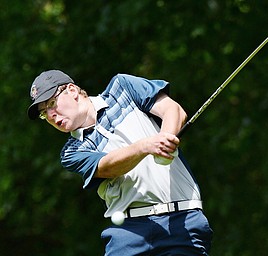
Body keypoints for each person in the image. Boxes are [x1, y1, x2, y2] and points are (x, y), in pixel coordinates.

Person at [27, 70, 213, 255]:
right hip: (129, 233)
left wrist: (166, 139)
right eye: (44, 113)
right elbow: (107, 167)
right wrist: (144, 146)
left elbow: (173, 110)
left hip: (182, 221)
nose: (51, 115)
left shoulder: (122, 87)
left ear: (72, 91)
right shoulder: (72, 151)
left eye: (52, 103)